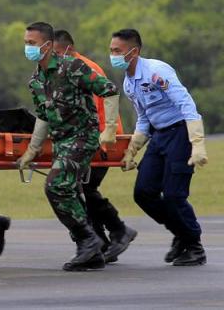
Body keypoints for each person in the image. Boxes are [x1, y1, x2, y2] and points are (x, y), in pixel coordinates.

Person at [17, 22, 120, 271]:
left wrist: (108, 130)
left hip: (83, 137)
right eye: (26, 43)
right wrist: (32, 148)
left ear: (48, 45)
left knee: (56, 185)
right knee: (71, 191)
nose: (27, 48)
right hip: (62, 140)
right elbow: (43, 115)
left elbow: (110, 91)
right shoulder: (36, 80)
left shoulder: (72, 67)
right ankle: (90, 251)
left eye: (32, 43)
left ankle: (88, 241)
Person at [110, 29, 208, 266]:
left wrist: (197, 143)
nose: (112, 55)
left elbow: (185, 103)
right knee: (143, 193)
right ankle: (181, 233)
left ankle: (194, 246)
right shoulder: (129, 83)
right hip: (159, 135)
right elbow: (144, 117)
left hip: (181, 132)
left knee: (174, 194)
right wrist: (132, 150)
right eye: (111, 50)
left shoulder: (156, 71)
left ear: (134, 52)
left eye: (117, 51)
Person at [53, 29, 137, 262]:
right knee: (79, 188)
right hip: (87, 137)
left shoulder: (82, 69)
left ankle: (118, 231)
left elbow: (99, 103)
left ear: (68, 49)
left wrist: (104, 134)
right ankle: (100, 240)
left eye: (56, 52)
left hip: (102, 138)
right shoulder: (63, 69)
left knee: (83, 189)